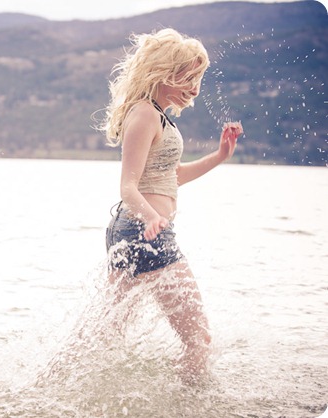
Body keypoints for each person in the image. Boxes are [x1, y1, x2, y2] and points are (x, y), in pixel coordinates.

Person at [100, 28, 243, 383]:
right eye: (189, 76)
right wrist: (152, 218)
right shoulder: (145, 114)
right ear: (165, 71)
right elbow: (128, 187)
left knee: (105, 333)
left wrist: (221, 156)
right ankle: (191, 404)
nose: (195, 87)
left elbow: (171, 176)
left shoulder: (158, 116)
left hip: (135, 229)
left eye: (199, 78)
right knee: (199, 339)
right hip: (143, 229)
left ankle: (59, 388)